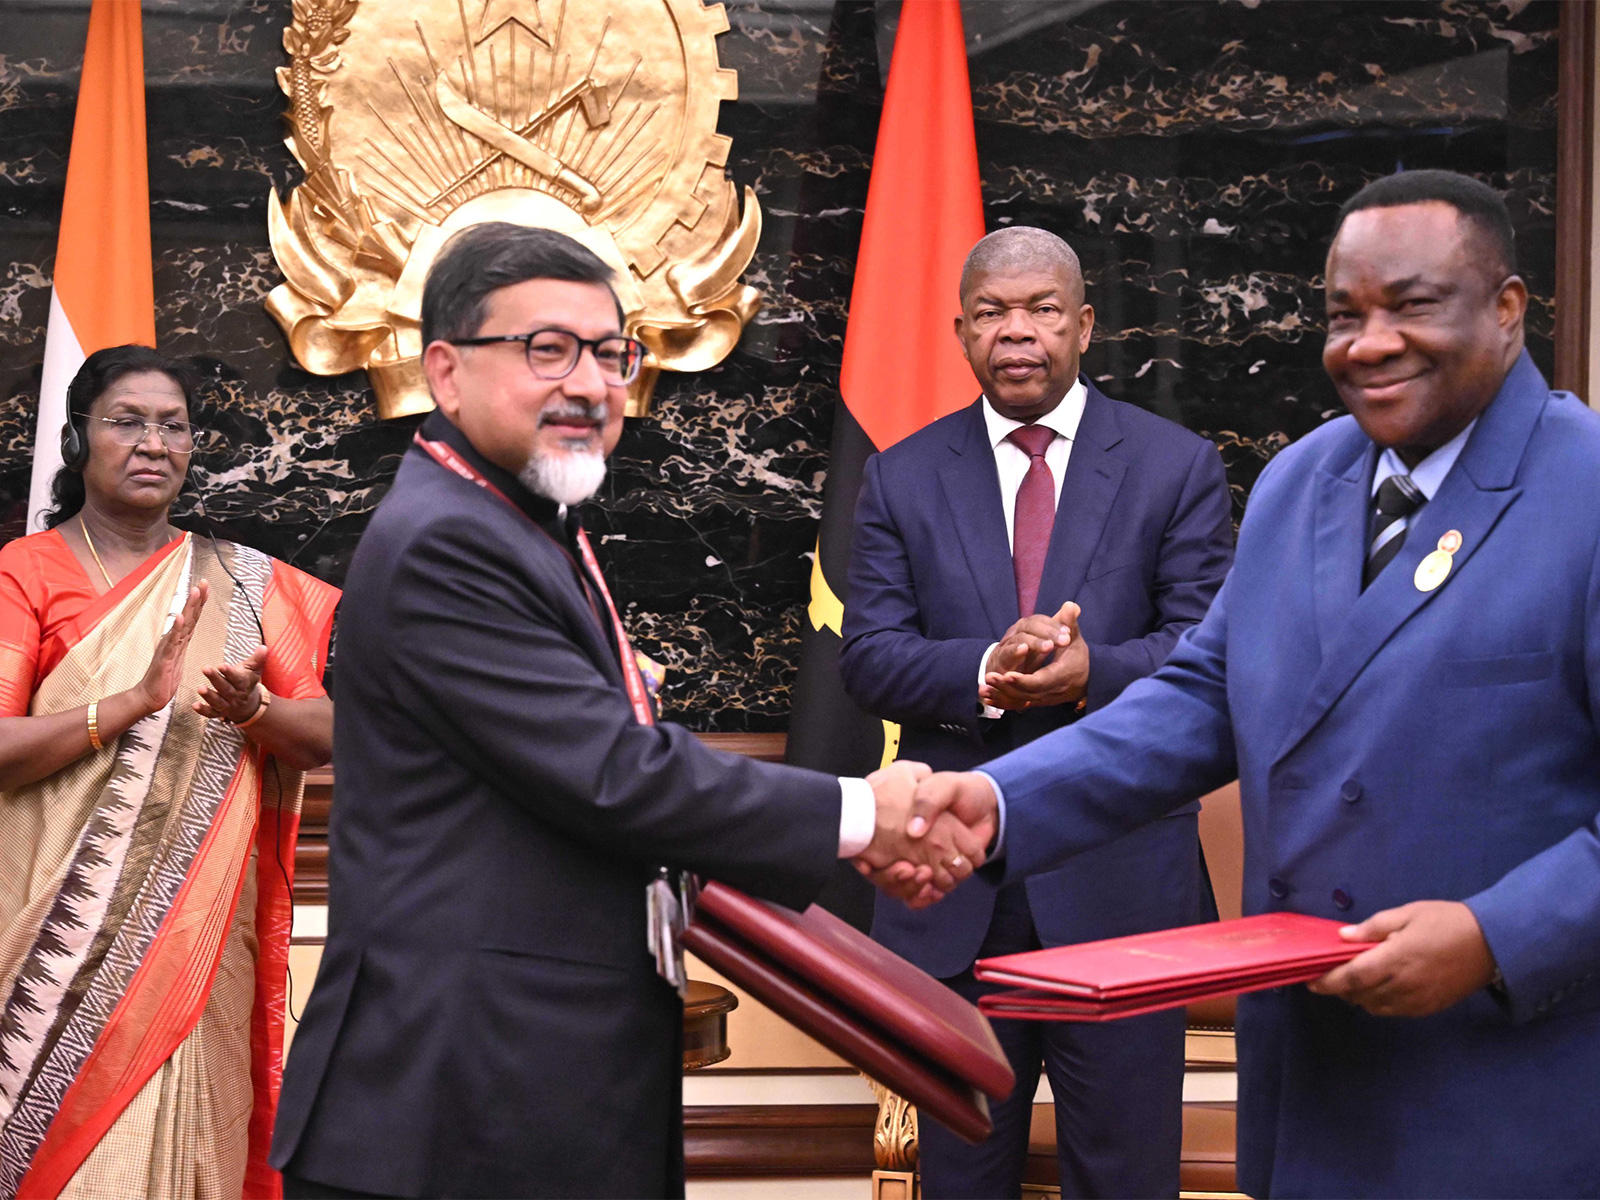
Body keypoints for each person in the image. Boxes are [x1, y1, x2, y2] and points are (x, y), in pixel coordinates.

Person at [891, 169, 1600, 1197]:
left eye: (1411, 306)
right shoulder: (1297, 485)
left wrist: (1495, 938)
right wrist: (996, 805)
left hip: (1506, 1103)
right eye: (1342, 314)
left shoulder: (1586, 492)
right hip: (1307, 1095)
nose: (1368, 343)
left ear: (1506, 309)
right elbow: (1195, 702)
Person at [268, 223, 986, 1200]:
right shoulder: (448, 541)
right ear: (445, 371)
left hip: (531, 1096)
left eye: (611, 353)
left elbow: (616, 755)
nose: (590, 383)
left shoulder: (520, 516)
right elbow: (612, 774)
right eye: (545, 348)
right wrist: (864, 814)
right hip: (459, 1114)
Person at [837, 226, 1233, 1198]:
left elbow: (1208, 652)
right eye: (992, 313)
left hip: (1121, 894)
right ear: (960, 333)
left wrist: (1088, 671)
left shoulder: (1173, 466)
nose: (1017, 333)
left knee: (1124, 1178)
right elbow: (870, 657)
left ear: (1084, 324)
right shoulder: (900, 474)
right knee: (959, 1181)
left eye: (1042, 309)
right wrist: (986, 668)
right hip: (955, 902)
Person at [0, 345, 338, 1199]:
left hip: (192, 954)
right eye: (126, 421)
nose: (154, 443)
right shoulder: (24, 574)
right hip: (48, 943)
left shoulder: (248, 583)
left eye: (174, 426)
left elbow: (329, 734)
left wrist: (255, 713)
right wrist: (130, 702)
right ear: (77, 439)